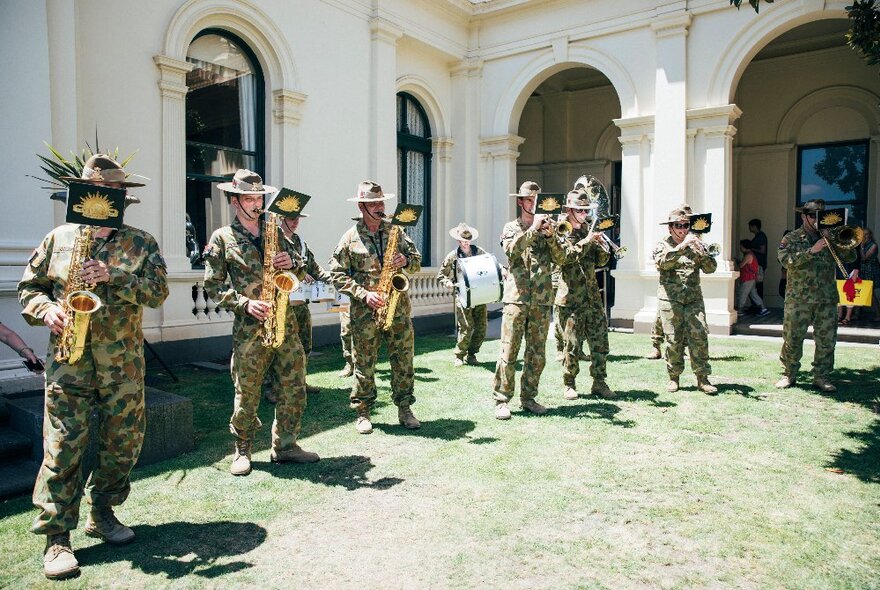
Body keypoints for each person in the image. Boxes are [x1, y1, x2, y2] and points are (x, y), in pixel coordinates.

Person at [18, 154, 168, 580]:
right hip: (69, 361)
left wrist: (113, 276)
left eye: (113, 191)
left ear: (123, 196)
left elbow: (157, 292)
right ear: (82, 193)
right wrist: (46, 310)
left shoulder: (141, 242)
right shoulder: (59, 238)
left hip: (122, 364)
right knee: (62, 446)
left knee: (124, 443)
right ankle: (56, 538)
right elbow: (30, 287)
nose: (105, 197)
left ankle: (102, 512)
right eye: (96, 190)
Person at [203, 169, 319, 477]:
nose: (257, 204)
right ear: (234, 201)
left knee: (294, 387)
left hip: (286, 322)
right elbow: (213, 286)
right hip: (250, 328)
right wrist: (244, 304)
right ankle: (242, 449)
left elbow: (303, 263)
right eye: (249, 199)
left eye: (259, 198)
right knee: (248, 392)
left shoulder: (275, 230)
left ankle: (286, 445)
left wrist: (291, 262)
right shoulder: (222, 238)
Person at [327, 181, 422, 434]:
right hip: (365, 312)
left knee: (403, 361)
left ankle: (404, 408)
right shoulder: (349, 238)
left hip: (398, 309)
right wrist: (363, 294)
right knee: (364, 363)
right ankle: (363, 411)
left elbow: (416, 263)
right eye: (374, 204)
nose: (380, 208)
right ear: (362, 206)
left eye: (381, 202)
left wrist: (405, 260)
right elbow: (336, 275)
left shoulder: (396, 232)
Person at [492, 181, 565, 419]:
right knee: (509, 350)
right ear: (520, 202)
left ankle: (529, 397)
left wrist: (551, 236)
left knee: (536, 353)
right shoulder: (511, 227)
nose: (534, 205)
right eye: (529, 200)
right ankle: (502, 399)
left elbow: (561, 259)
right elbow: (511, 251)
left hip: (542, 300)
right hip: (517, 298)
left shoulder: (549, 227)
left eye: (537, 201)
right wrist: (533, 230)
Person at [776, 199, 855, 392]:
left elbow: (851, 257)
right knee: (793, 338)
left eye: (821, 216)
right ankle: (789, 374)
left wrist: (838, 241)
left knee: (827, 340)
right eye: (813, 216)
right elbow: (785, 260)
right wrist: (812, 250)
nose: (816, 219)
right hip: (798, 298)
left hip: (826, 298)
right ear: (804, 216)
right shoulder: (792, 238)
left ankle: (822, 377)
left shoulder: (831, 237)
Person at [554, 186, 613, 400]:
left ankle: (600, 382)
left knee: (600, 342)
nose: (584, 214)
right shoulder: (562, 230)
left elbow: (601, 262)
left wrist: (602, 247)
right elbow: (565, 258)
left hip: (592, 297)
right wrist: (586, 241)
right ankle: (569, 383)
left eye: (586, 211)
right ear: (569, 210)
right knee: (572, 345)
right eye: (580, 211)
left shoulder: (590, 229)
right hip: (570, 298)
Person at [653, 208, 718, 394]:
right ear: (670, 228)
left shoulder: (696, 243)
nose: (682, 229)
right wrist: (682, 247)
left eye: (685, 226)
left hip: (693, 299)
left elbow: (710, 269)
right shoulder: (662, 245)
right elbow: (662, 263)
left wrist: (703, 253)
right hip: (670, 300)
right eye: (678, 226)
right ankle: (674, 378)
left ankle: (703, 378)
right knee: (673, 340)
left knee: (699, 338)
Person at [277, 213, 329, 394]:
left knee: (304, 344)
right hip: (281, 304)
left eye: (297, 219)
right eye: (291, 219)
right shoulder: (273, 240)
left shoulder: (301, 243)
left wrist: (333, 278)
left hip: (300, 303)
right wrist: (298, 272)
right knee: (280, 347)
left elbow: (314, 267)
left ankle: (300, 382)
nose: (295, 222)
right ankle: (273, 387)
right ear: (281, 218)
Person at [436, 222, 488, 366]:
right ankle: (459, 355)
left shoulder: (479, 252)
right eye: (463, 241)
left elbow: (490, 265)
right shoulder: (452, 256)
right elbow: (441, 275)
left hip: (479, 294)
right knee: (466, 326)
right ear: (458, 241)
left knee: (481, 327)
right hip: (462, 295)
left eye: (468, 241)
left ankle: (472, 354)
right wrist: (447, 282)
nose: (465, 244)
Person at [737, 239, 769, 317]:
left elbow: (741, 265)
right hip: (751, 278)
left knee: (742, 294)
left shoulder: (748, 255)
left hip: (747, 278)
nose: (740, 248)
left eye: (741, 246)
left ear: (744, 247)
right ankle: (762, 308)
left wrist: (737, 261)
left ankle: (740, 310)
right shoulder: (751, 254)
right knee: (754, 295)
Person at [860, 228, 880, 321]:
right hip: (862, 269)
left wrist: (862, 246)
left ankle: (878, 314)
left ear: (870, 235)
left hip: (870, 270)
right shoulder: (861, 245)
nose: (864, 237)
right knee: (860, 290)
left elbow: (864, 258)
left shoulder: (873, 245)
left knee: (871, 292)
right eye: (863, 235)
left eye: (866, 234)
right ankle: (857, 313)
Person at [748, 218, 768, 300]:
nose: (749, 228)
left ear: (754, 226)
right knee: (755, 286)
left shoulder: (761, 236)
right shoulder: (758, 236)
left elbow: (762, 250)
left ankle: (759, 306)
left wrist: (751, 249)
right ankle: (756, 306)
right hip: (756, 264)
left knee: (758, 285)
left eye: (750, 226)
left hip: (759, 264)